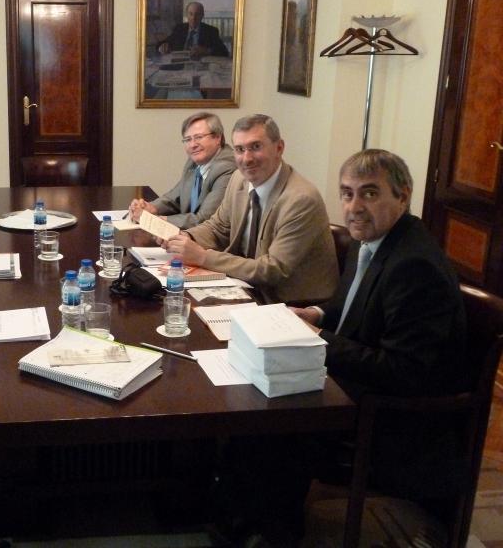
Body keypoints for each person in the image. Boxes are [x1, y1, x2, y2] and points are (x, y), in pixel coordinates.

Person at [291, 148, 467, 502]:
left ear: (403, 197)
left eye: (369, 193)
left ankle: (269, 526)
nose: (355, 206)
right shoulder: (369, 239)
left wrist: (319, 340)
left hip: (396, 416)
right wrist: (318, 315)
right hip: (360, 382)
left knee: (273, 415)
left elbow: (401, 370)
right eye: (347, 193)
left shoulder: (414, 265)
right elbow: (351, 305)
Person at [163, 114, 338, 304]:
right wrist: (185, 238)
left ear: (279, 148)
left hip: (292, 303)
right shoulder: (239, 179)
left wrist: (203, 257)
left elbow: (272, 269)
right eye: (239, 149)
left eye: (256, 147)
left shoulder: (301, 200)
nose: (246, 159)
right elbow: (218, 227)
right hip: (247, 289)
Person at [129, 112, 236, 229]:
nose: (192, 145)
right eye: (188, 139)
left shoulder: (227, 168)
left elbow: (205, 219)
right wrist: (150, 208)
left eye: (199, 137)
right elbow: (174, 198)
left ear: (217, 138)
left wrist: (155, 221)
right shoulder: (193, 163)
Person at [157, 1, 229, 58]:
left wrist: (206, 51)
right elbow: (161, 44)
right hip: (179, 66)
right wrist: (162, 47)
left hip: (200, 67)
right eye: (191, 14)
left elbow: (224, 52)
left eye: (197, 14)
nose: (193, 18)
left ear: (202, 15)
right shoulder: (179, 28)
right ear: (186, 15)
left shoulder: (211, 31)